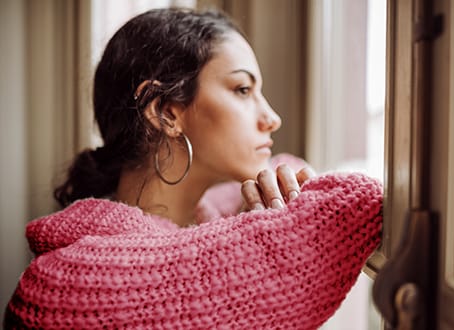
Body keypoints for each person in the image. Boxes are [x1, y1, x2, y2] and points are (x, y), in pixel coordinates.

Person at [4, 8, 383, 329]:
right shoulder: (68, 284)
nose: (272, 117)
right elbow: (350, 205)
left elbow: (284, 172)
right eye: (242, 90)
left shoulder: (221, 218)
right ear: (166, 112)